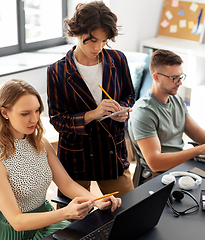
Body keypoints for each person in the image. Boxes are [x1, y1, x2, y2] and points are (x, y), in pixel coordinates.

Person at [0, 79, 121, 240]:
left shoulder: (40, 142)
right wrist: (65, 213)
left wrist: (96, 200)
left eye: (37, 111)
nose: (34, 119)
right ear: (4, 113)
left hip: (46, 220)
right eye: (25, 113)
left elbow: (66, 183)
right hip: (18, 234)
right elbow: (17, 221)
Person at [47, 1, 135, 198]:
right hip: (76, 157)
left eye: (104, 41)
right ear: (78, 32)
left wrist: (122, 110)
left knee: (128, 211)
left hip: (111, 153)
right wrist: (92, 114)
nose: (98, 47)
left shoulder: (118, 60)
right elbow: (57, 120)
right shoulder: (57, 72)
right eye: (93, 40)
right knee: (73, 223)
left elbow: (129, 95)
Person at [128, 49, 205, 179]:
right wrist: (199, 150)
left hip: (180, 167)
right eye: (174, 78)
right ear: (156, 77)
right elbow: (155, 163)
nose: (180, 82)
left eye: (181, 77)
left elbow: (198, 134)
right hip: (158, 176)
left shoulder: (175, 99)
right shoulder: (144, 112)